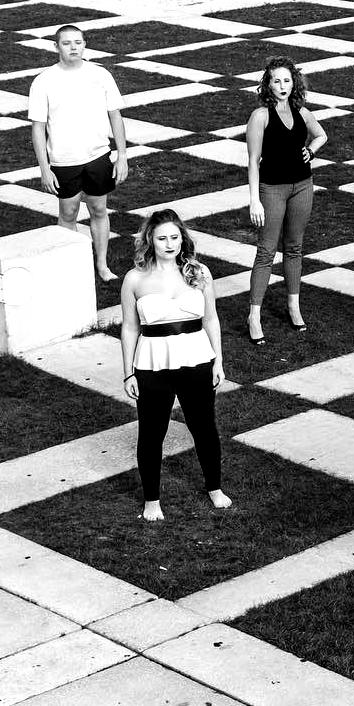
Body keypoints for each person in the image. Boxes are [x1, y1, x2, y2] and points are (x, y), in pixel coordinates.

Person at [119, 210, 229, 522]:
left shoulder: (200, 272)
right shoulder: (135, 279)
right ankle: (152, 501)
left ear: (183, 238)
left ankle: (214, 488)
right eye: (162, 238)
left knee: (204, 427)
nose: (169, 244)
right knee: (152, 433)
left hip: (197, 359)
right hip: (152, 364)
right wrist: (128, 372)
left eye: (174, 237)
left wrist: (218, 360)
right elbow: (129, 327)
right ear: (149, 241)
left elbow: (210, 319)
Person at [28, 24, 128, 282]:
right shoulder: (44, 81)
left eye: (78, 42)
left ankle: (102, 265)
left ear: (84, 45)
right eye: (66, 43)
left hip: (98, 157)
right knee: (69, 213)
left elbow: (115, 116)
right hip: (63, 160)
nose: (73, 47)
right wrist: (45, 167)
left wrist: (122, 156)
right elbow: (38, 129)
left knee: (98, 209)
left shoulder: (100, 75)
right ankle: (70, 267)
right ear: (56, 46)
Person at [245, 56, 327, 344]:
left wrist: (312, 152)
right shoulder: (261, 116)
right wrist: (254, 200)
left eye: (287, 80)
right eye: (276, 80)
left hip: (303, 186)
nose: (282, 85)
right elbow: (253, 161)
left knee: (295, 247)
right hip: (272, 190)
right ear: (267, 83)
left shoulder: (301, 111)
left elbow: (321, 136)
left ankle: (293, 305)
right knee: (266, 251)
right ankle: (254, 315)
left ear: (295, 83)